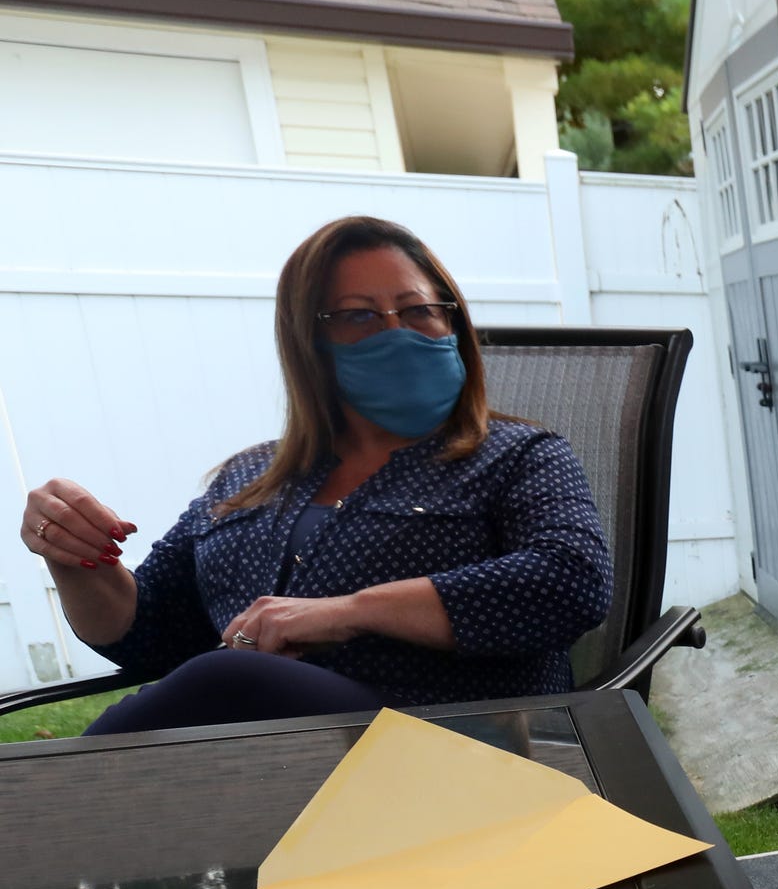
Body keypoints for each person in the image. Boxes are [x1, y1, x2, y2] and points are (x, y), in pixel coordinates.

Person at [16, 216, 609, 734]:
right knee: (227, 679)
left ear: (451, 322)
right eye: (357, 316)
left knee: (230, 676)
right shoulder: (249, 476)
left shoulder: (519, 456)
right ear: (309, 343)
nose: (396, 330)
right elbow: (144, 636)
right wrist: (73, 554)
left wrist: (346, 611)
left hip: (459, 749)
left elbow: (571, 581)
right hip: (268, 773)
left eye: (418, 309)